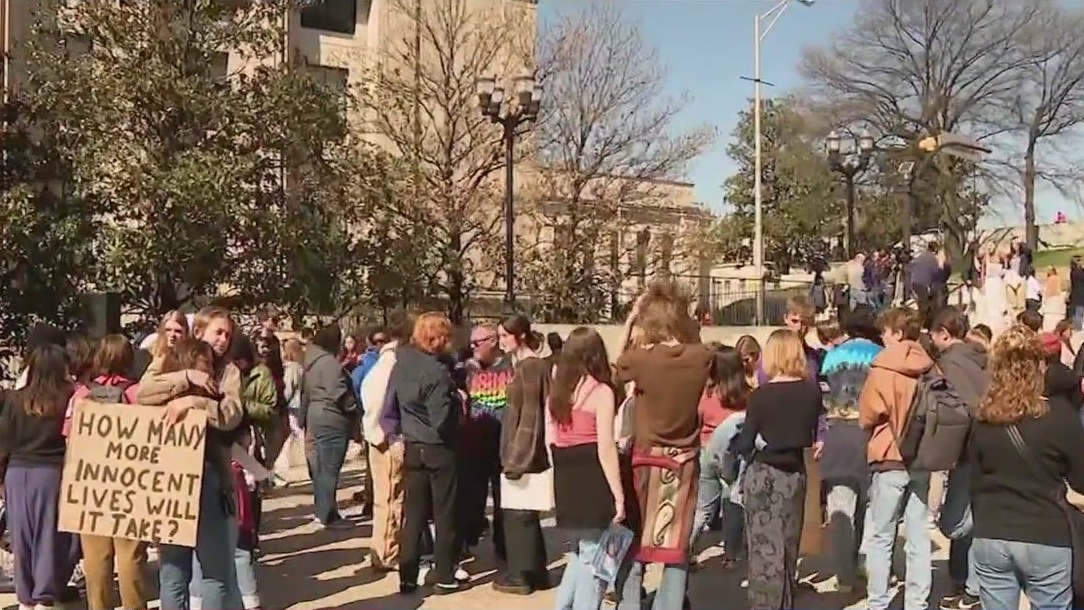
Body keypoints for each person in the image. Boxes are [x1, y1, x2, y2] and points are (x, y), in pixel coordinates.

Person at [969, 324, 1084, 610]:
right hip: (1046, 532)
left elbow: (975, 477)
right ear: (1040, 367)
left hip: (992, 531)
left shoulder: (984, 418)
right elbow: (1082, 479)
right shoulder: (1060, 416)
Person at [613, 281, 712, 610]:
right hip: (683, 461)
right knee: (676, 547)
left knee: (635, 542)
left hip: (645, 459)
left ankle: (629, 605)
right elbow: (697, 341)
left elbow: (618, 364)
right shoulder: (701, 357)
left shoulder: (642, 360)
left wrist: (630, 322)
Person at [138, 307, 245, 610]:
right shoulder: (169, 359)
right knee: (187, 573)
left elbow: (229, 414)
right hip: (173, 479)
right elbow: (143, 393)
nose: (223, 339)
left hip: (208, 474)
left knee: (195, 573)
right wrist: (186, 377)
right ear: (198, 331)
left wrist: (192, 402)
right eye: (218, 332)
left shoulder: (229, 372)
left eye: (228, 334)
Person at [734, 329, 824, 609]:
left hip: (763, 475)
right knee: (787, 547)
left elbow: (745, 442)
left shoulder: (761, 396)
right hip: (795, 474)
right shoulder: (811, 392)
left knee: (763, 552)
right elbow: (812, 431)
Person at [858, 307, 934, 610]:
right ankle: (917, 602)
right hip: (922, 456)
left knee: (881, 535)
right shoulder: (930, 366)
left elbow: (867, 415)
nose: (882, 337)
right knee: (918, 535)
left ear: (898, 333)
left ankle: (878, 601)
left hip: (889, 453)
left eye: (885, 332)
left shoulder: (882, 367)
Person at [67, 335, 149, 610]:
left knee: (95, 557)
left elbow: (69, 437)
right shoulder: (138, 394)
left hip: (91, 484)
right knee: (130, 556)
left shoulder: (81, 396)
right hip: (129, 484)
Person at [550, 327, 627, 610]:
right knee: (595, 559)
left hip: (565, 474)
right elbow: (606, 448)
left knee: (582, 551)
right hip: (591, 476)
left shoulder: (559, 388)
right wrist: (618, 495)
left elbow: (553, 437)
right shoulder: (601, 391)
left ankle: (563, 606)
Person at [0, 344, 81, 609]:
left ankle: (25, 598)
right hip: (53, 473)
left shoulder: (13, 399)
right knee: (49, 538)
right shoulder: (70, 396)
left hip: (17, 472)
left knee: (21, 538)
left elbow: (4, 440)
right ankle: (45, 596)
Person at [389, 313, 461, 595]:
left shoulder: (401, 363)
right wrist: (457, 402)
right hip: (438, 447)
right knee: (445, 514)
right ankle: (444, 575)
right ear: (439, 338)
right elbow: (441, 419)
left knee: (414, 515)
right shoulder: (436, 373)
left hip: (412, 444)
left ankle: (407, 577)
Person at [929, 307, 989, 610]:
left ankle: (969, 582)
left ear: (944, 333)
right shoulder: (980, 358)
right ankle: (967, 582)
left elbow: (959, 408)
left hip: (966, 449)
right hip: (987, 447)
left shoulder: (950, 364)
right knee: (971, 515)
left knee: (956, 521)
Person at [818, 318, 882, 593]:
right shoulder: (881, 356)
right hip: (870, 434)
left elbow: (822, 399)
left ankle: (844, 576)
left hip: (837, 435)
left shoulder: (832, 356)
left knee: (841, 509)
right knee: (869, 509)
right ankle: (868, 567)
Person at [494, 315, 552, 596]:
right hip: (526, 451)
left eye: (505, 336)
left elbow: (531, 418)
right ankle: (536, 571)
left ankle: (522, 574)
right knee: (525, 513)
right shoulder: (531, 367)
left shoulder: (530, 368)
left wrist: (516, 458)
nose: (501, 341)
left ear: (520, 336)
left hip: (521, 453)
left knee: (518, 515)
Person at [689, 345, 750, 566]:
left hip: (706, 452)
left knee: (703, 507)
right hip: (733, 455)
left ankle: (687, 550)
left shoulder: (705, 394)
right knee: (733, 503)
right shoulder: (745, 395)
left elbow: (696, 422)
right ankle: (731, 556)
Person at [360, 314, 412, 573]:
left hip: (375, 435)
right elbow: (384, 402)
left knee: (384, 499)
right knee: (393, 499)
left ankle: (381, 550)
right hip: (387, 438)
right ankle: (388, 552)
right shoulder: (395, 363)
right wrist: (389, 434)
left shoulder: (382, 362)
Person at [300, 323, 360, 529]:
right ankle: (329, 516)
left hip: (315, 418)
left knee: (319, 470)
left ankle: (322, 510)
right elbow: (339, 393)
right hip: (333, 420)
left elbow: (305, 394)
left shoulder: (311, 363)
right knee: (330, 470)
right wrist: (354, 410)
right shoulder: (330, 364)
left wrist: (303, 420)